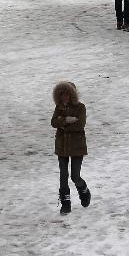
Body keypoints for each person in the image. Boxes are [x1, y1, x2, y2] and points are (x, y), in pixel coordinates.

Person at [51, 81, 90, 215]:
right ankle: (65, 204)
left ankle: (83, 190)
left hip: (77, 146)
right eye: (62, 95)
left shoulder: (81, 107)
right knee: (63, 175)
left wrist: (63, 123)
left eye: (67, 94)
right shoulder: (59, 107)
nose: (64, 97)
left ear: (72, 95)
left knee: (75, 176)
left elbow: (80, 125)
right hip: (62, 146)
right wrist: (67, 120)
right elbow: (53, 122)